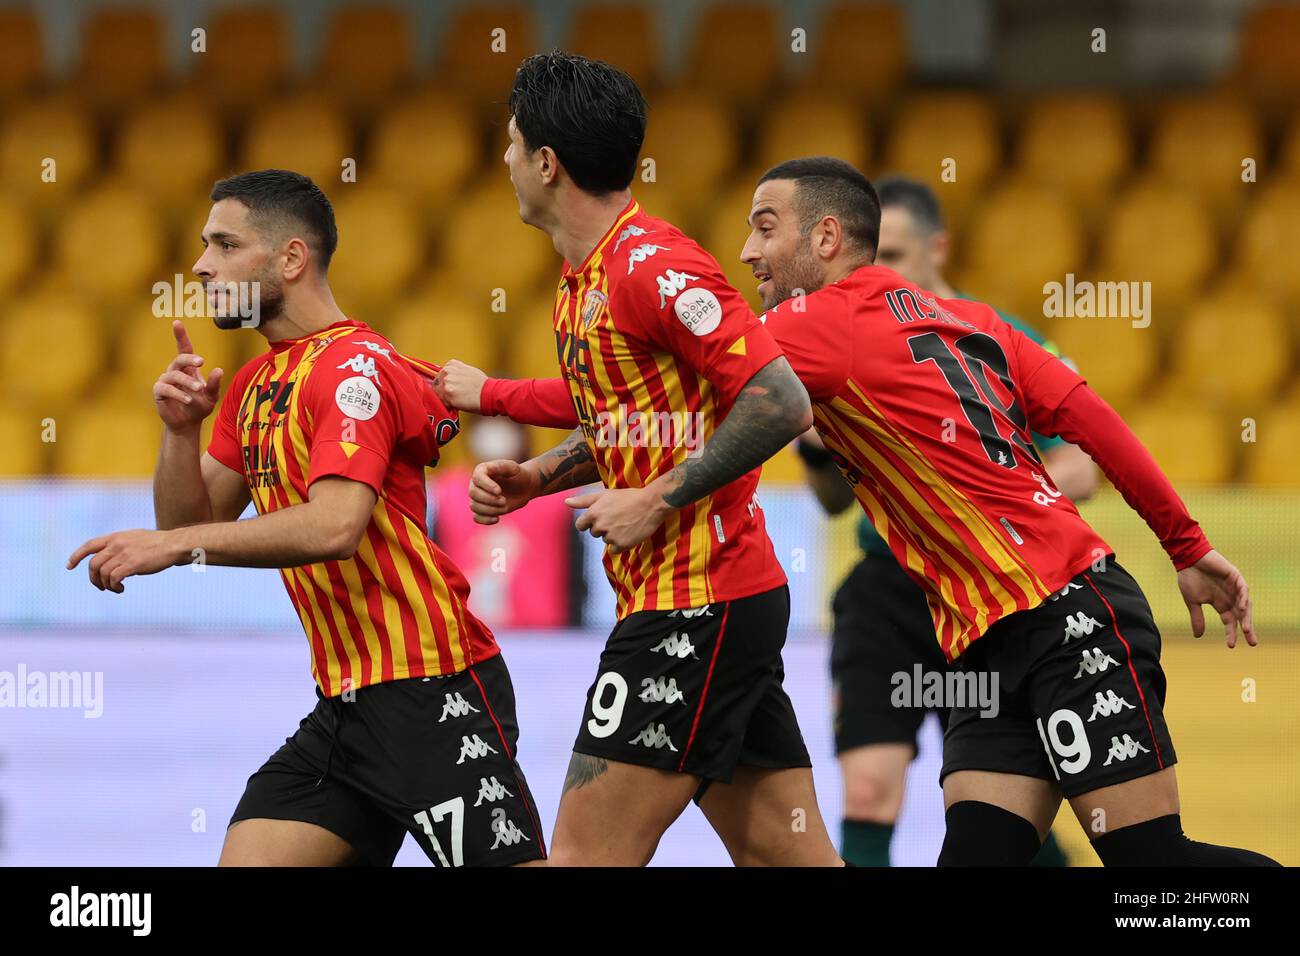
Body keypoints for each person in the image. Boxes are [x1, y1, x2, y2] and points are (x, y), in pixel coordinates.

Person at [443, 155, 1277, 866]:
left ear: (827, 239)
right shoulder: (975, 321)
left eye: (766, 229)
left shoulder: (816, 325)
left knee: (1153, 873)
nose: (747, 253)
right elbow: (1093, 420)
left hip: (1064, 618)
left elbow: (667, 395)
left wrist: (497, 395)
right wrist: (1187, 547)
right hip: (988, 639)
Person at [67, 169, 545, 867]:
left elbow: (333, 527)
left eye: (224, 245)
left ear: (289, 259)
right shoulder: (257, 382)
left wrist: (173, 550)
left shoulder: (353, 370)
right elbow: (185, 524)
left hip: (429, 689)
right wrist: (179, 434)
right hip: (344, 707)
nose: (200, 265)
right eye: (204, 246)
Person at [457, 52, 843, 866]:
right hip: (716, 606)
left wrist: (657, 501)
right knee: (790, 857)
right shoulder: (580, 280)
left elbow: (780, 400)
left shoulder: (655, 268)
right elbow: (636, 426)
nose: (504, 160)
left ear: (547, 163)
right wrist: (539, 477)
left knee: (582, 856)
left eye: (512, 142)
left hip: (695, 606)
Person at [795, 174, 1096, 865]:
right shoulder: (842, 351)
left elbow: (1083, 466)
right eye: (872, 257)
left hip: (988, 590)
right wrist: (816, 451)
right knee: (868, 792)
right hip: (888, 592)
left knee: (1005, 806)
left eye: (895, 255)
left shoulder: (995, 337)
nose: (879, 272)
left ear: (939, 248)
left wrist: (984, 494)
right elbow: (836, 504)